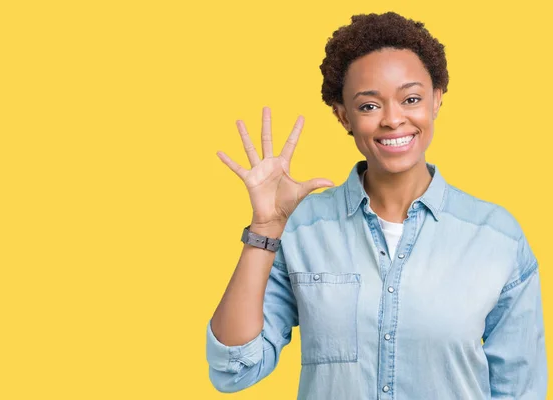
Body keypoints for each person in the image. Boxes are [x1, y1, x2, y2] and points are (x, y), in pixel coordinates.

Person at [206, 11, 547, 400]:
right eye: (369, 106)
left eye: (411, 99)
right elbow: (234, 368)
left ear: (436, 100)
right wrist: (264, 229)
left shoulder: (497, 237)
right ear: (343, 116)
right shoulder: (302, 230)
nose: (392, 119)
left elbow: (521, 389)